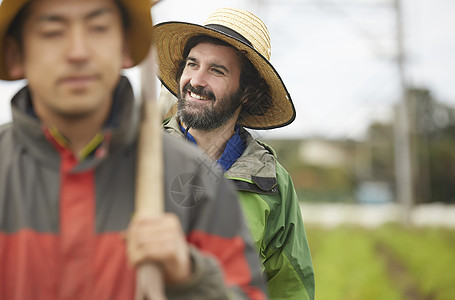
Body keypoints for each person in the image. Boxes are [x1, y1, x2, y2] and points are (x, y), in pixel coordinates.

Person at [0, 0, 267, 299]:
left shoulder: (199, 179)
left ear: (127, 46)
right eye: (52, 31)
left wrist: (190, 276)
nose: (77, 51)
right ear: (15, 54)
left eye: (98, 28)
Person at [155, 7, 315, 300]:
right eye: (192, 64)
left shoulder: (272, 184)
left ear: (247, 92)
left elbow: (290, 287)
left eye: (217, 70)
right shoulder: (141, 157)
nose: (197, 81)